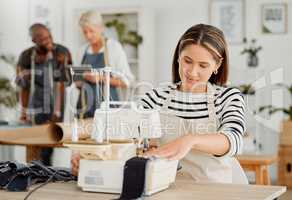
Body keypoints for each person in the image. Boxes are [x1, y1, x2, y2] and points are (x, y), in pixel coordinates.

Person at [71, 24, 246, 184]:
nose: (193, 72)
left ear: (217, 64)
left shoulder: (228, 97)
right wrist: (89, 155)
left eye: (203, 65)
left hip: (215, 189)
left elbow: (234, 140)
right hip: (169, 187)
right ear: (178, 57)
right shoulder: (158, 96)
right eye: (187, 61)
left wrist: (190, 140)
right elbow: (122, 123)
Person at [16, 23, 72, 165]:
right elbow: (24, 87)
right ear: (34, 40)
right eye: (42, 39)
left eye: (49, 36)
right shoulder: (26, 56)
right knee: (35, 143)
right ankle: (35, 173)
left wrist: (57, 113)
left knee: (50, 143)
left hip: (56, 104)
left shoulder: (62, 52)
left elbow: (65, 82)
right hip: (36, 106)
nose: (48, 41)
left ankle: (44, 172)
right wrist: (23, 111)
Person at [75, 10, 134, 119]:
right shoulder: (82, 51)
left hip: (109, 110)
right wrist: (80, 78)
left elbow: (127, 82)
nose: (88, 36)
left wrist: (100, 78)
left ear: (101, 28)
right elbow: (78, 85)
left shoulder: (113, 47)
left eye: (91, 31)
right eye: (85, 32)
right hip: (84, 108)